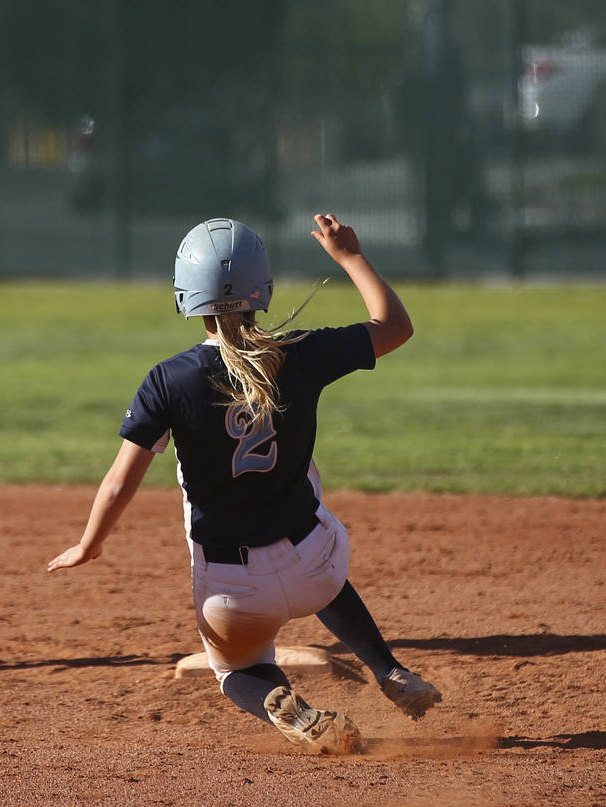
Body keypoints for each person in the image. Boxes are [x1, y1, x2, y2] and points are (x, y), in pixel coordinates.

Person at [48, 215, 440, 752]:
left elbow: (120, 483)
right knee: (318, 539)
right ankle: (390, 670)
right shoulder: (299, 353)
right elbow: (395, 325)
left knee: (236, 669)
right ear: (263, 290)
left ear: (187, 296)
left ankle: (290, 711)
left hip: (233, 593)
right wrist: (348, 256)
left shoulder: (169, 379)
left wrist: (89, 544)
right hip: (315, 561)